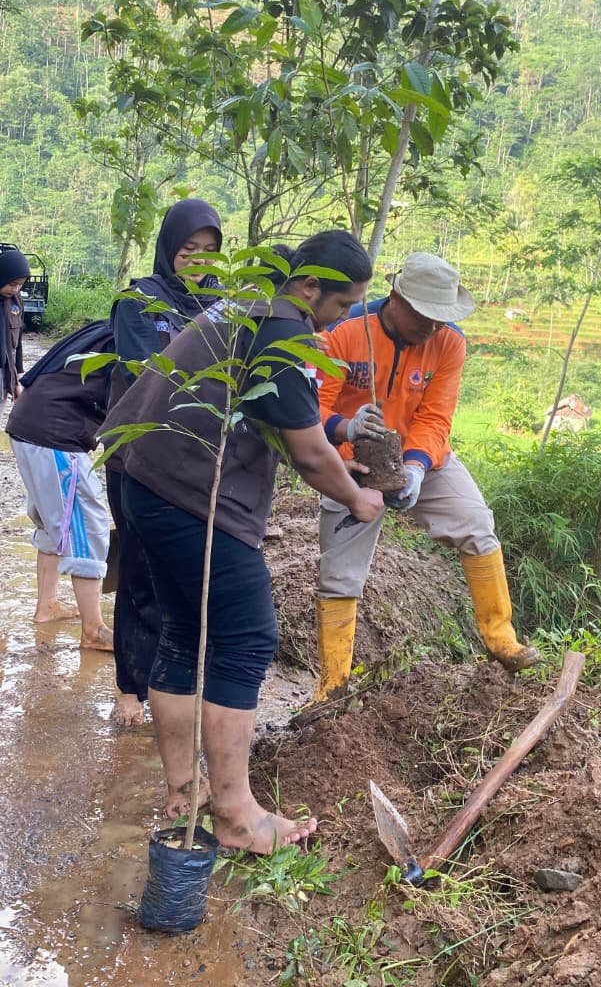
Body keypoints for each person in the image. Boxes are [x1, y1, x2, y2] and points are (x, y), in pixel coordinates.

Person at [98, 229, 384, 853]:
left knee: (181, 630)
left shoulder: (245, 308)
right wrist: (358, 498)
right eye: (341, 304)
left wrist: (337, 459)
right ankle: (234, 813)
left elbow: (284, 423)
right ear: (310, 286)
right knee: (247, 638)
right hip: (189, 494)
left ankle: (184, 794)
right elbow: (310, 452)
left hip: (143, 479)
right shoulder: (283, 330)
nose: (341, 319)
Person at [313, 252, 541, 702]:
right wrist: (345, 434)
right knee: (339, 573)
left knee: (476, 523)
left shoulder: (450, 344)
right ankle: (332, 685)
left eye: (442, 318)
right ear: (396, 297)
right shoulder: (345, 330)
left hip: (425, 459)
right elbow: (312, 408)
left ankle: (502, 640)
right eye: (424, 315)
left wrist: (415, 466)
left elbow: (436, 417)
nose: (432, 326)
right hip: (350, 459)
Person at [107, 198, 223, 726]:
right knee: (139, 568)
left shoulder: (226, 305)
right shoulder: (139, 300)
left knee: (185, 574)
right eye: (188, 250)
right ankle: (130, 687)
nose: (197, 261)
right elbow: (143, 374)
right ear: (168, 249)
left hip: (198, 460)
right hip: (138, 453)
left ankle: (175, 685)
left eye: (209, 252)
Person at [7, 322, 116, 649]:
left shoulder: (108, 328)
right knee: (86, 524)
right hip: (55, 435)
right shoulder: (139, 336)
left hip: (29, 425)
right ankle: (93, 630)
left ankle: (48, 605)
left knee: (52, 519)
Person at [0, 247, 30, 406]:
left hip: (3, 374)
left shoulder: (15, 301)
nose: (16, 289)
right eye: (12, 284)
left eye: (20, 285)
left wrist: (17, 379)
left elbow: (17, 344)